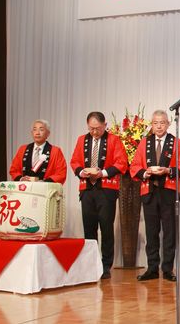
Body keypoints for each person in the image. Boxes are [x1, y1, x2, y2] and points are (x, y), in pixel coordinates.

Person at [131, 110, 180, 282]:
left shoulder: (177, 142)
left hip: (169, 191)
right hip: (149, 191)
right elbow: (134, 166)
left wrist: (168, 170)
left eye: (162, 123)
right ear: (151, 124)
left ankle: (167, 269)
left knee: (170, 232)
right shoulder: (144, 142)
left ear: (168, 124)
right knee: (151, 232)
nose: (159, 126)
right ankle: (152, 268)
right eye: (155, 123)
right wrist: (145, 173)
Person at [70, 111, 128, 280]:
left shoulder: (114, 140)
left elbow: (122, 163)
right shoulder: (82, 140)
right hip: (87, 189)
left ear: (105, 125)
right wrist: (82, 172)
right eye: (91, 128)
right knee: (89, 228)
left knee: (106, 228)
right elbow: (74, 161)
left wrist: (102, 173)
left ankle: (105, 266)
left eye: (97, 128)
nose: (94, 132)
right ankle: (90, 264)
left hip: (106, 189)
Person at [8, 119, 67, 183]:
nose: (37, 133)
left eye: (41, 130)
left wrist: (45, 182)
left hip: (46, 188)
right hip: (25, 187)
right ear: (31, 133)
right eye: (35, 129)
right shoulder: (22, 149)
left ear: (48, 133)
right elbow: (14, 170)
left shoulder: (55, 151)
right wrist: (21, 179)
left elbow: (61, 173)